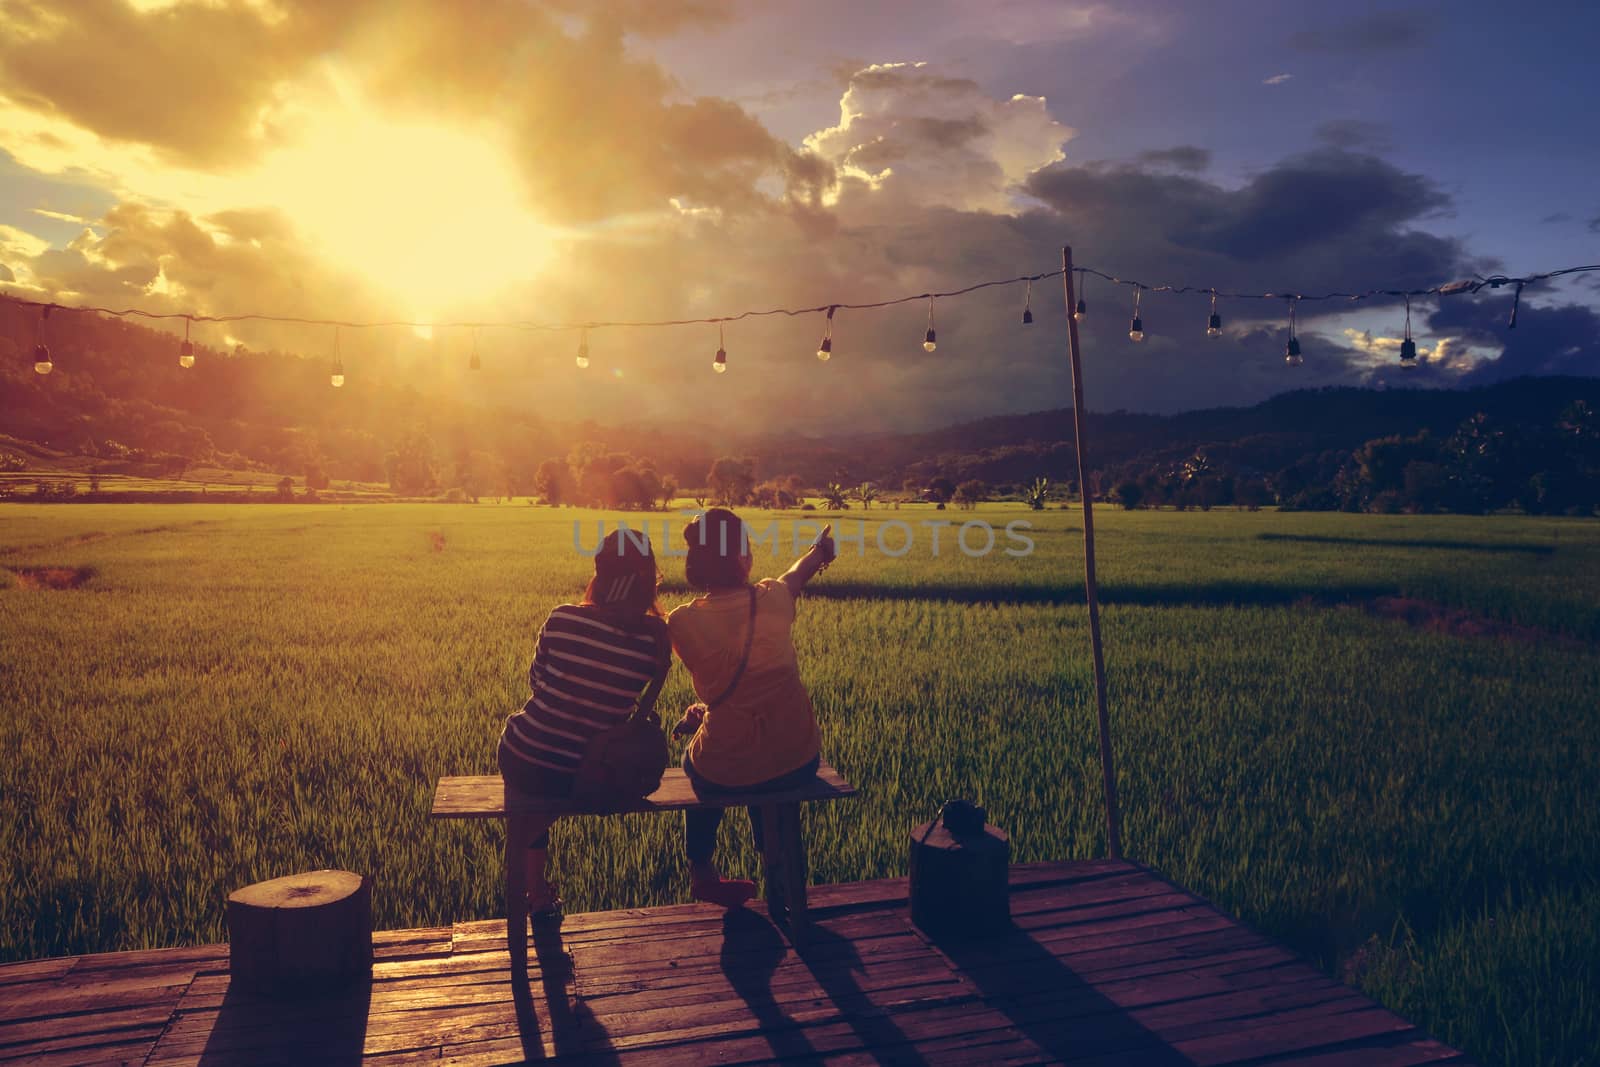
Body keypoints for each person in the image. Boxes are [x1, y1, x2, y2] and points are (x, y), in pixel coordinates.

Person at [497, 528, 670, 917]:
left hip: (522, 755)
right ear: (647, 578)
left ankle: (536, 892)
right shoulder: (652, 642)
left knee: (538, 782)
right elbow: (627, 710)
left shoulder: (562, 617)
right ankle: (538, 892)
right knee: (554, 777)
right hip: (585, 768)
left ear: (600, 572)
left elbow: (537, 681)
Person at [668, 508, 835, 908]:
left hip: (725, 767)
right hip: (798, 758)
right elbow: (798, 574)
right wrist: (819, 550)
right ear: (743, 558)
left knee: (696, 760)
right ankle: (773, 860)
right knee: (768, 772)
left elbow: (723, 683)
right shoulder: (774, 598)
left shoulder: (682, 622)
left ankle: (701, 868)